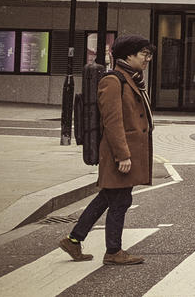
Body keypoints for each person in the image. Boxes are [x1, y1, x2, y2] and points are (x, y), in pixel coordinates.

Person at [59, 35, 156, 265]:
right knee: (120, 201)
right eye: (144, 54)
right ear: (127, 55)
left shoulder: (130, 78)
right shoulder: (114, 81)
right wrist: (122, 155)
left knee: (108, 197)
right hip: (119, 153)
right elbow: (112, 122)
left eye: (148, 54)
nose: (147, 59)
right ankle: (113, 251)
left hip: (126, 151)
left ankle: (73, 240)